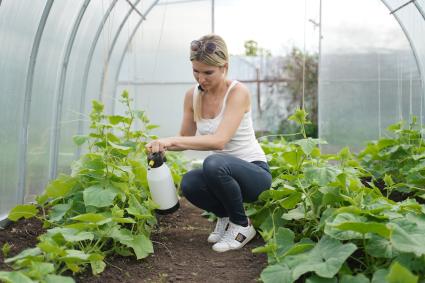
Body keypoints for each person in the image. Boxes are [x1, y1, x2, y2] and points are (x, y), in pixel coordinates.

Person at [145, 34, 272, 252]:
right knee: (190, 183)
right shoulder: (192, 96)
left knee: (214, 162)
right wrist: (162, 146)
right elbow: (185, 138)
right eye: (196, 71)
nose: (200, 78)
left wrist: (171, 140)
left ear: (224, 67)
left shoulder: (238, 93)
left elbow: (220, 141)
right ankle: (226, 218)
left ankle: (242, 226)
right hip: (222, 172)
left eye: (208, 72)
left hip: (255, 175)